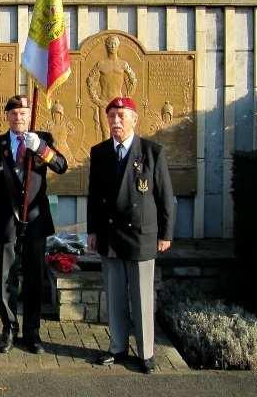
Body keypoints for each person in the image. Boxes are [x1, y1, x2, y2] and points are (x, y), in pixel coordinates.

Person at [86, 96, 175, 374]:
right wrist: (92, 230)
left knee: (141, 297)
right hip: (110, 235)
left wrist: (166, 233)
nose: (116, 121)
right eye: (111, 116)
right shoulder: (99, 152)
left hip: (141, 235)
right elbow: (94, 196)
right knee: (114, 295)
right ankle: (117, 347)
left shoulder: (151, 152)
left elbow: (165, 197)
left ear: (134, 119)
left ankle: (146, 353)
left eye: (121, 116)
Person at [0, 95, 67, 354]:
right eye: (14, 113)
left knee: (35, 278)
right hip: (6, 220)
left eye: (24, 113)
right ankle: (9, 329)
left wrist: (40, 148)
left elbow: (62, 166)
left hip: (36, 220)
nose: (19, 118)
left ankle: (32, 332)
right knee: (6, 277)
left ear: (30, 116)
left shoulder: (43, 139)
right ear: (7, 116)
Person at [86, 35, 138, 141]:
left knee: (119, 133)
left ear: (118, 46)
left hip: (119, 104)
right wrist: (96, 100)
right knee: (106, 133)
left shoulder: (123, 64)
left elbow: (133, 79)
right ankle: (105, 157)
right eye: (110, 43)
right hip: (104, 103)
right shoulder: (100, 65)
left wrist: (127, 97)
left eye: (114, 43)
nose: (112, 46)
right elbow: (90, 81)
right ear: (106, 46)